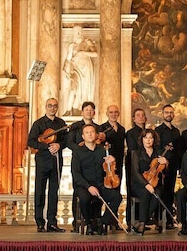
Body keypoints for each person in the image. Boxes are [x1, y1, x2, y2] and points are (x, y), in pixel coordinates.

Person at [71, 124, 122, 235]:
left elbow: (109, 170)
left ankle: (101, 221)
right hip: (84, 186)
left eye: (92, 132)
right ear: (83, 136)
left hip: (101, 184)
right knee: (84, 198)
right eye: (87, 132)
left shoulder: (103, 150)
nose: (90, 134)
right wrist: (89, 187)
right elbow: (76, 173)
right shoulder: (77, 152)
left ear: (97, 135)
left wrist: (113, 161)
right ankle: (89, 224)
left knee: (117, 197)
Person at [28, 98, 67, 233]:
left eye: (55, 106)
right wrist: (46, 146)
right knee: (39, 192)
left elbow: (66, 140)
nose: (52, 108)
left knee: (53, 193)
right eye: (50, 106)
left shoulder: (61, 123)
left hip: (56, 161)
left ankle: (52, 223)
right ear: (46, 107)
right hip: (42, 161)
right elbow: (31, 141)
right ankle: (39, 222)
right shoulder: (38, 123)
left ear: (57, 107)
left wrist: (59, 145)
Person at [67, 101, 101, 230]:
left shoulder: (97, 128)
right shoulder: (75, 126)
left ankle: (95, 220)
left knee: (98, 193)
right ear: (82, 112)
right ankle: (77, 222)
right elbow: (69, 142)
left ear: (94, 113)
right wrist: (82, 150)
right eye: (86, 110)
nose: (89, 112)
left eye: (91, 110)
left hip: (94, 164)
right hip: (80, 162)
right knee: (79, 193)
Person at [130, 128, 168, 235]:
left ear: (154, 140)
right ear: (142, 139)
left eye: (151, 138)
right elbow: (135, 172)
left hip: (155, 183)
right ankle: (143, 222)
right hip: (140, 184)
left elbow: (164, 172)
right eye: (146, 137)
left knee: (158, 193)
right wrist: (146, 185)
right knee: (146, 192)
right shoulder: (137, 154)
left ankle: (142, 222)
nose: (148, 140)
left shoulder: (159, 153)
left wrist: (165, 163)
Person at [155, 104, 183, 229]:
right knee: (162, 192)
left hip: (173, 167)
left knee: (170, 192)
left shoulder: (176, 131)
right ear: (163, 114)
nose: (169, 114)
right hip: (161, 167)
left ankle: (170, 219)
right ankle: (160, 220)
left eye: (171, 112)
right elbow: (156, 148)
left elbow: (178, 150)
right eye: (167, 112)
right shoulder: (158, 130)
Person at [98, 104, 125, 230]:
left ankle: (113, 221)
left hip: (118, 165)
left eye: (115, 112)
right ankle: (101, 220)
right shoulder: (102, 128)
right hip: (106, 165)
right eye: (111, 112)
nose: (113, 114)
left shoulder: (122, 129)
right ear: (107, 113)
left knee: (117, 191)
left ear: (118, 114)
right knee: (107, 192)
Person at [63, 26, 98, 116]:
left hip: (86, 68)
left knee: (84, 90)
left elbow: (95, 54)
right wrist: (66, 69)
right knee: (73, 89)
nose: (78, 34)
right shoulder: (72, 45)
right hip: (76, 69)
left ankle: (78, 110)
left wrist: (82, 53)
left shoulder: (87, 42)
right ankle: (68, 109)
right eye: (76, 32)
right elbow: (68, 58)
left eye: (79, 32)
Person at [125, 108, 147, 230]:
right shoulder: (130, 133)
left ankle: (142, 220)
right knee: (132, 191)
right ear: (134, 118)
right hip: (133, 165)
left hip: (147, 166)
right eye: (138, 115)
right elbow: (132, 149)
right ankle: (131, 221)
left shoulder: (149, 132)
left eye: (143, 115)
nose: (141, 117)